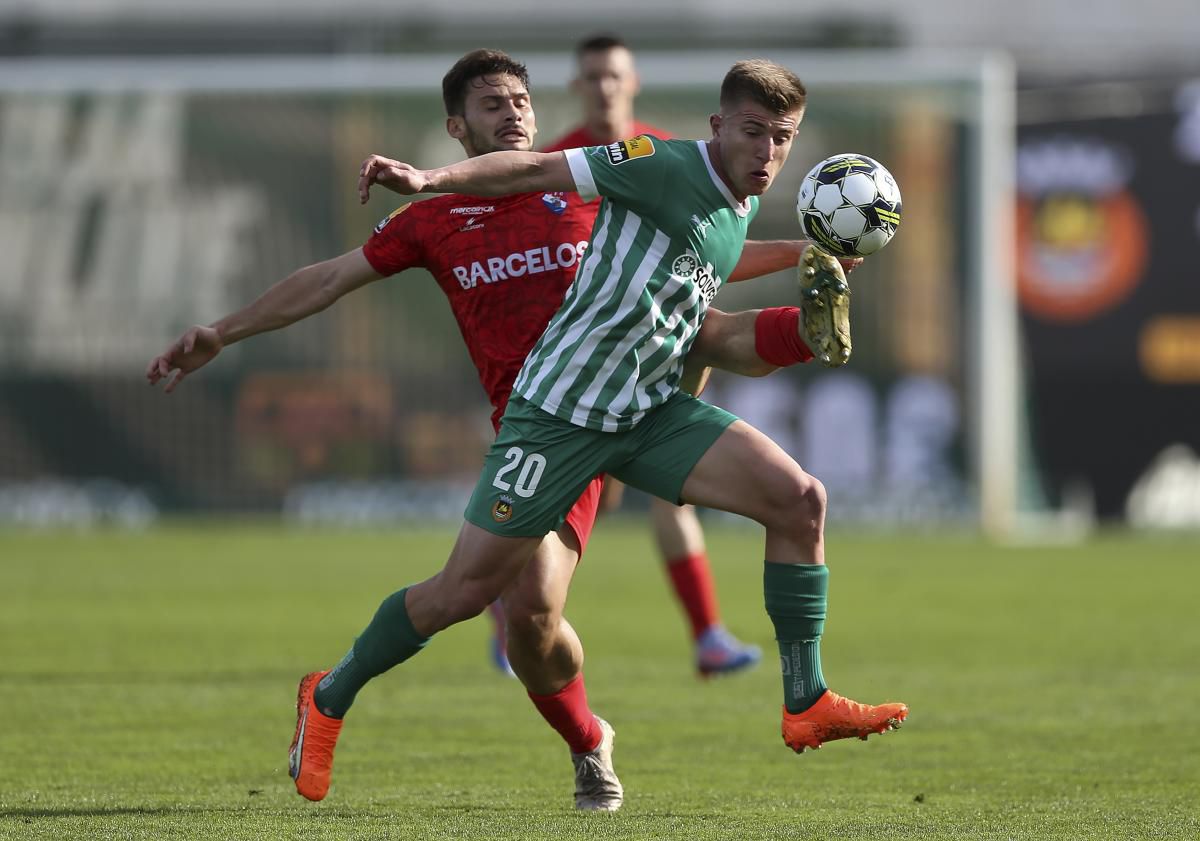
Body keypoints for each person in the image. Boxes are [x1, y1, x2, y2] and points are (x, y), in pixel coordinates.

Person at [145, 49, 859, 811]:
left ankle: (785, 687)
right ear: (455, 127)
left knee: (791, 493)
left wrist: (806, 254)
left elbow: (701, 259)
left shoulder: (590, 186)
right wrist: (223, 331)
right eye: (492, 104)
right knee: (520, 614)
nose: (514, 112)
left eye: (521, 99)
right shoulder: (433, 218)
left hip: (632, 409)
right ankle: (583, 741)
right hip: (541, 427)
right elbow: (327, 278)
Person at [480, 33, 764, 681]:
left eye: (615, 75)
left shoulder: (674, 156)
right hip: (578, 368)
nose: (605, 86)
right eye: (592, 77)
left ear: (633, 82)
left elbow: (714, 254)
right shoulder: (553, 161)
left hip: (662, 352)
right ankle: (506, 603)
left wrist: (800, 253)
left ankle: (708, 635)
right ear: (578, 87)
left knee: (674, 496)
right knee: (579, 504)